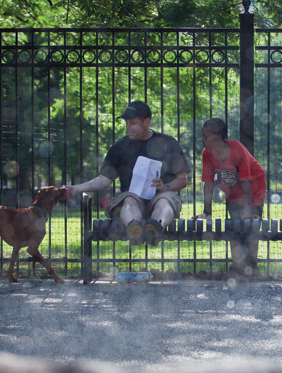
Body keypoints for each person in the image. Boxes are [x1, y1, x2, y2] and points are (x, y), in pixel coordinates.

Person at [62, 101, 190, 246]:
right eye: (126, 123)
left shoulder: (169, 143)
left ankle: (154, 229)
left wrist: (165, 186)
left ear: (146, 122)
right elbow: (104, 179)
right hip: (132, 198)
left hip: (161, 195)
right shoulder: (119, 147)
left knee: (164, 201)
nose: (128, 127)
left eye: (133, 123)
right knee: (129, 200)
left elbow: (182, 180)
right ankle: (134, 230)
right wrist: (77, 188)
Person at [193, 118, 266, 277]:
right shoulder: (207, 154)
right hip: (233, 193)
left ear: (218, 136)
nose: (202, 139)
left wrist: (247, 211)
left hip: (254, 189)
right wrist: (207, 212)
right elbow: (208, 184)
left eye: (206, 136)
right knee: (234, 226)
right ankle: (238, 266)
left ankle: (252, 266)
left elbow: (246, 184)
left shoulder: (237, 149)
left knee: (251, 226)